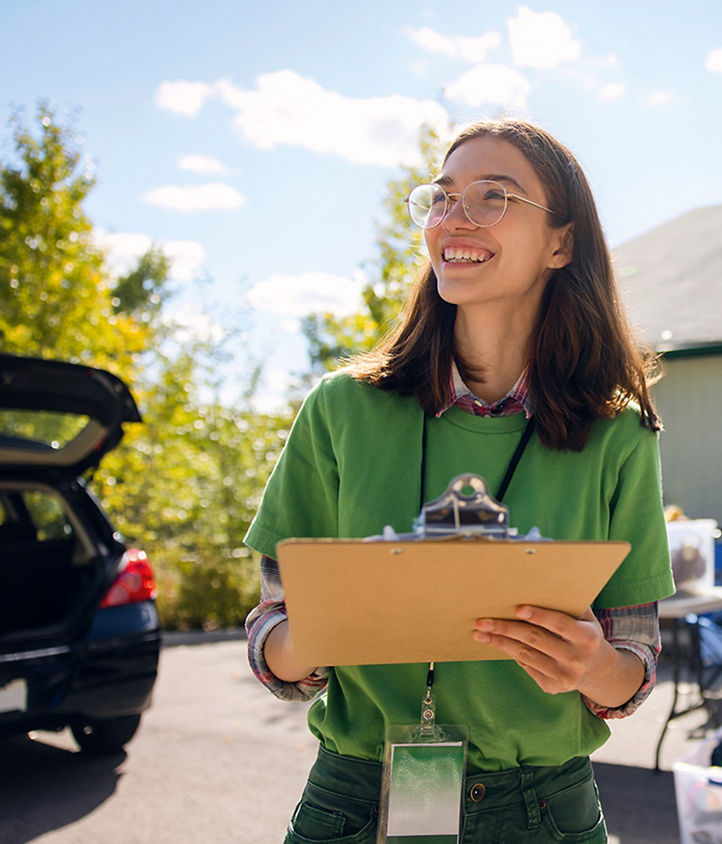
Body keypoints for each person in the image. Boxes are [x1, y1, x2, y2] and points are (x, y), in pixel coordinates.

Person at [243, 119, 675, 843]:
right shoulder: (339, 409)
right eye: (442, 198)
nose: (454, 218)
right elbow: (271, 634)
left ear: (561, 243)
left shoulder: (619, 433)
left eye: (494, 196)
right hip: (356, 799)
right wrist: (312, 636)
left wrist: (593, 664)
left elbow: (633, 662)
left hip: (547, 808)